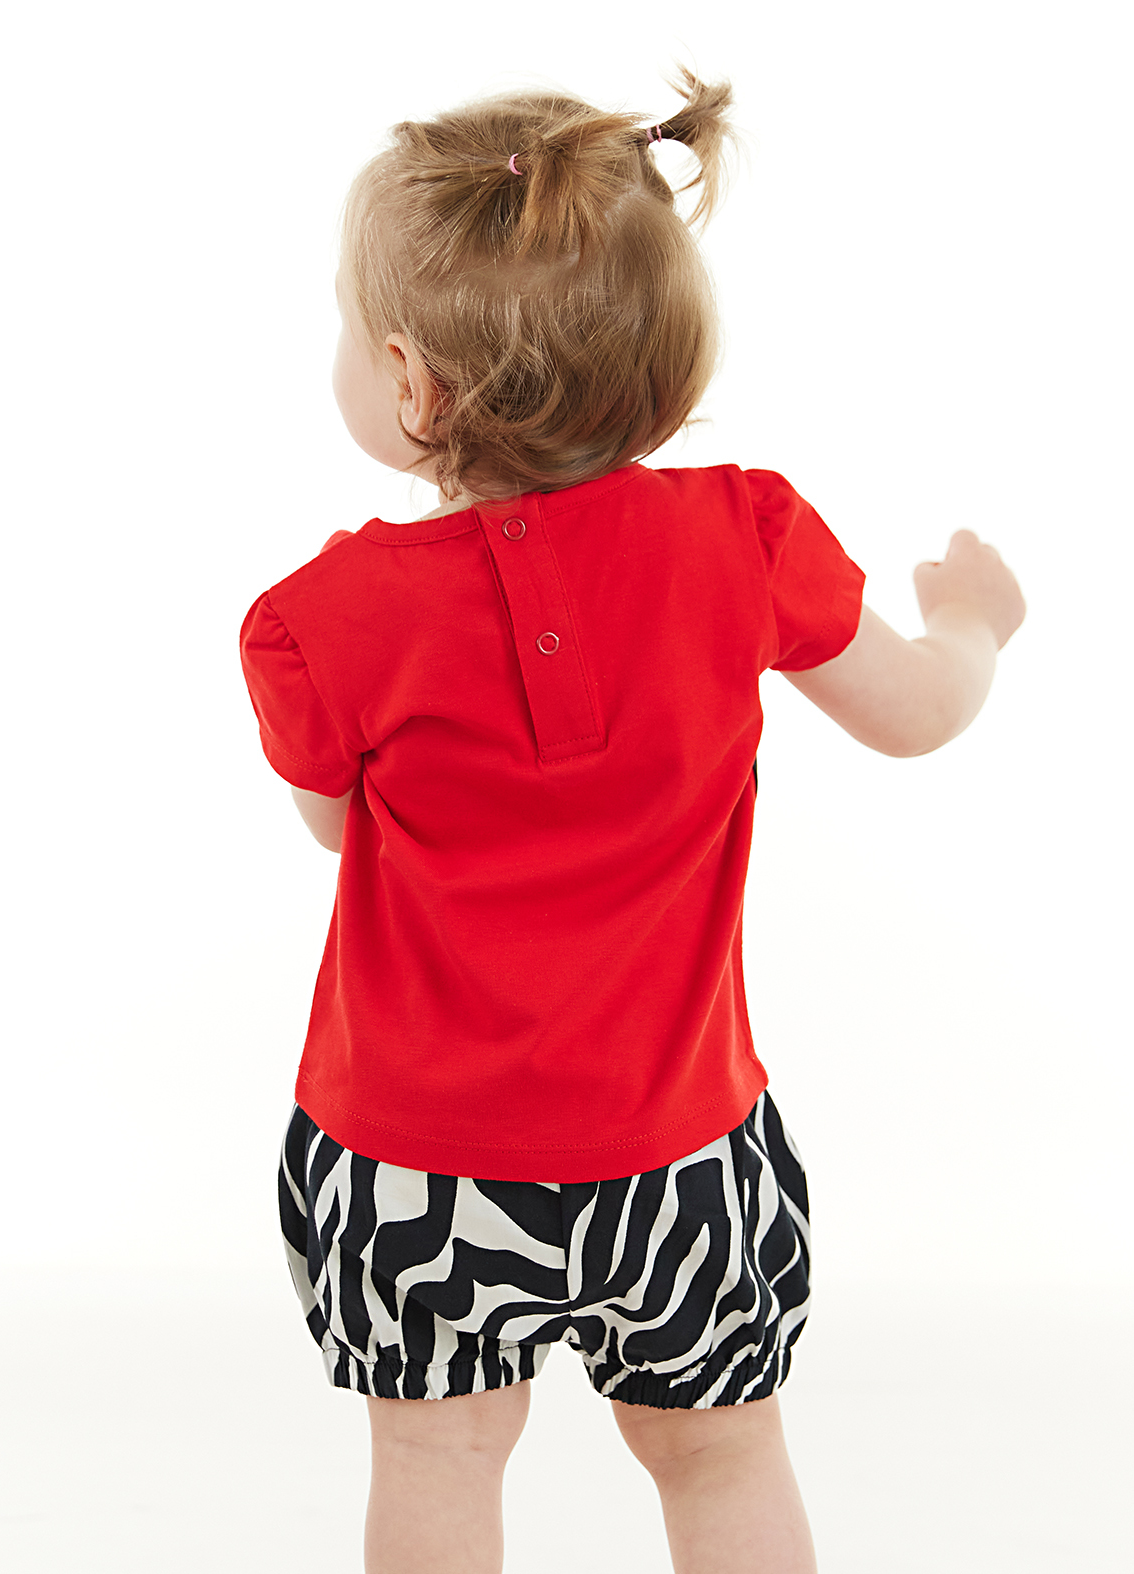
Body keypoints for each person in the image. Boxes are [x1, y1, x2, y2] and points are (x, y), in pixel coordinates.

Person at [240, 68, 1025, 1574]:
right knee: (721, 1455)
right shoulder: (747, 538)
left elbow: (340, 831)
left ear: (409, 383)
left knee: (437, 1454)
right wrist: (973, 624)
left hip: (414, 1164)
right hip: (682, 1154)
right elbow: (919, 711)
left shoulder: (317, 622)